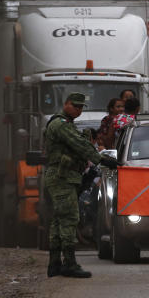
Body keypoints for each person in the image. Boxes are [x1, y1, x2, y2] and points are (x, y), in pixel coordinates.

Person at [43, 92, 119, 278]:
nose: (78, 110)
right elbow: (78, 144)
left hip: (65, 176)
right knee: (69, 218)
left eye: (80, 107)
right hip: (62, 177)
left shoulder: (66, 124)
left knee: (60, 219)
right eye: (75, 106)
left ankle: (55, 263)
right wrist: (100, 158)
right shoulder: (60, 125)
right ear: (66, 104)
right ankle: (69, 263)